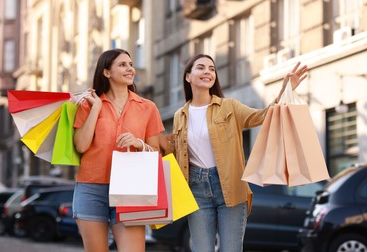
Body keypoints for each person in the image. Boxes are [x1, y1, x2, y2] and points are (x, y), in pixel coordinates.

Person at [161, 54, 308, 252]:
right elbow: (173, 150)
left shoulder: (229, 106)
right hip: (196, 189)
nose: (207, 72)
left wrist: (285, 90)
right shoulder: (180, 115)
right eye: (201, 68)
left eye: (212, 69)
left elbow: (262, 116)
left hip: (230, 187)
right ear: (188, 77)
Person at [72, 48, 165, 252]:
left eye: (130, 64)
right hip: (91, 188)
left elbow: (156, 153)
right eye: (122, 65)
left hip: (132, 188)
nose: (130, 69)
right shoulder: (89, 104)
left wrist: (139, 143)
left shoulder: (148, 107)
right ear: (106, 72)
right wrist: (96, 109)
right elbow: (81, 145)